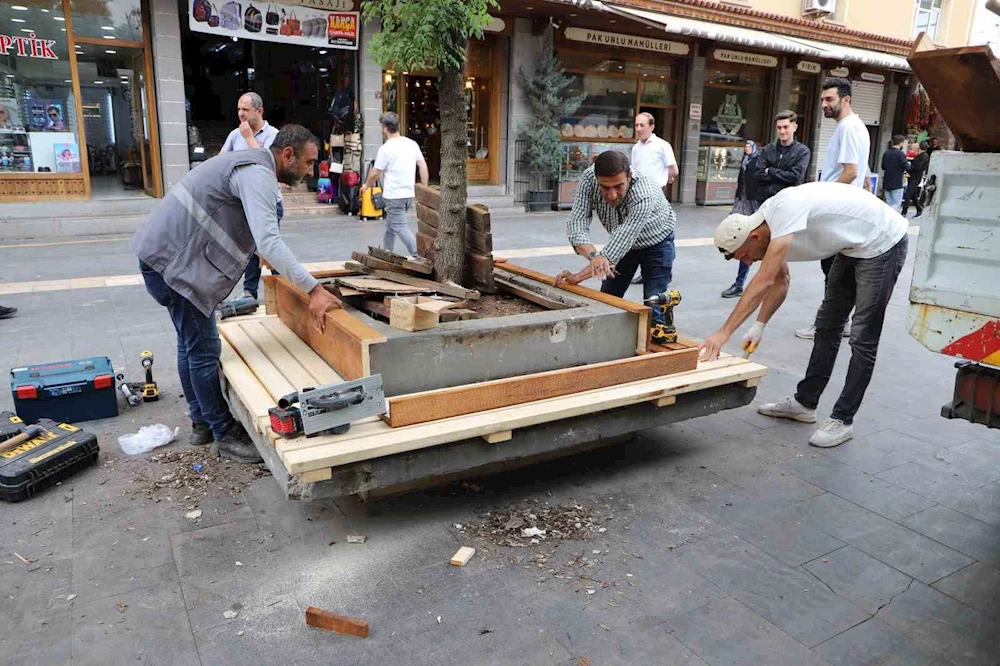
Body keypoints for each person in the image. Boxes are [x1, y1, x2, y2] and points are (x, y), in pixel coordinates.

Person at [131, 124, 341, 464]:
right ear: (287, 155)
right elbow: (269, 241)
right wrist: (313, 290)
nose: (310, 171)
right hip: (173, 264)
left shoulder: (249, 165)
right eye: (308, 162)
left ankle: (200, 423)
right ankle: (224, 434)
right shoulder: (257, 172)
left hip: (165, 258)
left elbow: (255, 235)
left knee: (190, 344)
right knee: (204, 349)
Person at [701, 181, 908, 448]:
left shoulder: (784, 213)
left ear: (754, 237)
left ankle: (843, 420)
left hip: (882, 242)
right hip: (850, 246)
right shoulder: (768, 229)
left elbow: (763, 281)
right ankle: (804, 403)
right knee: (827, 325)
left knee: (862, 337)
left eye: (745, 256)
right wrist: (760, 325)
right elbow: (780, 280)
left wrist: (723, 333)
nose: (749, 262)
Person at [554, 150, 677, 344]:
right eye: (605, 187)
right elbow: (577, 221)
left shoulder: (643, 192)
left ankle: (658, 352)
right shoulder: (588, 178)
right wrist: (594, 256)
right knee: (608, 298)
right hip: (622, 243)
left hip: (657, 243)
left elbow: (619, 244)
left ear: (629, 176)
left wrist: (579, 276)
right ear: (596, 179)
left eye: (619, 186)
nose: (611, 195)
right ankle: (603, 344)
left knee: (653, 304)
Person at [796, 78, 871, 341]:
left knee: (833, 273)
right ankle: (838, 322)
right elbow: (863, 175)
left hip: (838, 212)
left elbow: (850, 172)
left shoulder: (848, 128)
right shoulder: (857, 127)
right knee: (838, 273)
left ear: (846, 100)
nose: (824, 105)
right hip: (848, 210)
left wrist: (822, 198)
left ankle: (828, 325)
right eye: (822, 100)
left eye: (830, 100)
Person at [220, 92, 281, 303]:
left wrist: (249, 138)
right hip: (242, 203)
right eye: (238, 110)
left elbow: (267, 163)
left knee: (268, 247)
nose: (241, 114)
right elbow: (221, 161)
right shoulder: (234, 135)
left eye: (245, 110)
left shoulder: (274, 135)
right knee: (250, 249)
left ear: (259, 111)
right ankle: (249, 292)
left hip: (267, 203)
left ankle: (282, 290)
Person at [361, 112, 429, 256]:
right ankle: (387, 251)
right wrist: (424, 188)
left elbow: (375, 172)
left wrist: (366, 185)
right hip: (409, 195)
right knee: (391, 225)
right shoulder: (411, 144)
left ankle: (418, 255)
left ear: (385, 129)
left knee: (400, 227)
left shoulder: (386, 148)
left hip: (394, 195)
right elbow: (422, 165)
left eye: (381, 126)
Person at [629, 113, 678, 285]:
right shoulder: (636, 148)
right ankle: (647, 270)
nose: (639, 129)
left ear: (652, 126)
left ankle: (666, 267)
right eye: (636, 125)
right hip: (640, 196)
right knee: (644, 232)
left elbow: (673, 169)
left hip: (656, 195)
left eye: (642, 125)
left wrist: (665, 182)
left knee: (663, 232)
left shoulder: (662, 146)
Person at [720, 140, 764, 298]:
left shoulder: (759, 161)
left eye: (748, 146)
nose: (746, 149)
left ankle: (761, 286)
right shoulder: (745, 161)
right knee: (745, 240)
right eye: (745, 147)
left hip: (756, 203)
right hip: (744, 200)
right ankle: (739, 284)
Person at [881, 135, 910, 211]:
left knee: (889, 202)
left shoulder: (886, 153)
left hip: (887, 181)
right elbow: (906, 166)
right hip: (897, 181)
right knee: (896, 204)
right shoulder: (901, 154)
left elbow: (883, 166)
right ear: (901, 143)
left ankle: (887, 217)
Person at [902, 141, 930, 218]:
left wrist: (910, 167)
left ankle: (904, 212)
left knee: (908, 193)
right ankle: (919, 209)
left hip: (916, 177)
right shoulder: (921, 156)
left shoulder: (924, 156)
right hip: (913, 176)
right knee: (913, 194)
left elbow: (919, 167)